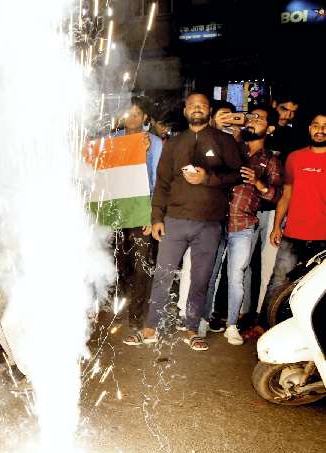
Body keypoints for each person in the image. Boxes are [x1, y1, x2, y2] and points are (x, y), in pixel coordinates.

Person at [124, 92, 242, 351]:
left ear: (209, 111)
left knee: (200, 278)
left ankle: (191, 328)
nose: (197, 109)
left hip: (209, 224)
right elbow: (163, 182)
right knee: (163, 275)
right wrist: (157, 217)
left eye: (202, 105)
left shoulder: (224, 141)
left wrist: (207, 178)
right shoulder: (175, 143)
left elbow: (236, 175)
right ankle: (150, 326)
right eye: (192, 106)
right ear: (186, 111)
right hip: (174, 221)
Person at [198, 106, 283, 344]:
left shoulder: (272, 161)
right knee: (211, 272)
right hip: (216, 219)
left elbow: (275, 196)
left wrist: (259, 184)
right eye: (251, 116)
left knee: (236, 275)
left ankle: (232, 325)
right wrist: (230, 133)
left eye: (260, 119)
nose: (253, 121)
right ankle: (203, 320)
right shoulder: (231, 146)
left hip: (244, 224)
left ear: (271, 128)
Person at [244, 110, 326, 339]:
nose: (321, 130)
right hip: (294, 232)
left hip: (324, 238)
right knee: (279, 281)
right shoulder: (295, 158)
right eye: (316, 125)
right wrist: (277, 225)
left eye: (325, 126)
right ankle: (264, 326)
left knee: (316, 290)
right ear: (310, 128)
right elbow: (287, 194)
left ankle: (306, 335)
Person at [111, 96, 163, 328]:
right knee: (119, 263)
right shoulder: (111, 140)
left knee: (141, 264)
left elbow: (157, 179)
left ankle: (135, 316)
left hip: (142, 210)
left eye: (136, 114)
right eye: (128, 114)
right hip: (116, 211)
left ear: (145, 118)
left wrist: (152, 215)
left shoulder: (154, 142)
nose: (131, 118)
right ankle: (120, 301)